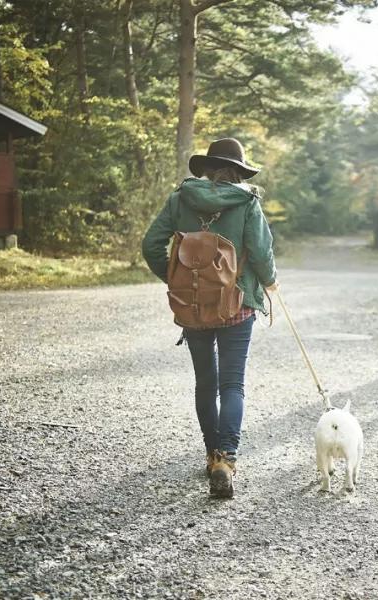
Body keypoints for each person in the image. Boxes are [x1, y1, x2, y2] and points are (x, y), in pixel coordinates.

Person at [141, 138, 278, 499]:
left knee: (205, 382)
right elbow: (261, 252)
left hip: (193, 306)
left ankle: (211, 453)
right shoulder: (247, 203)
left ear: (206, 169)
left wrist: (175, 278)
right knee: (232, 385)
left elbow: (150, 245)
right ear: (239, 171)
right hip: (237, 305)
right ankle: (226, 460)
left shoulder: (179, 199)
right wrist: (270, 282)